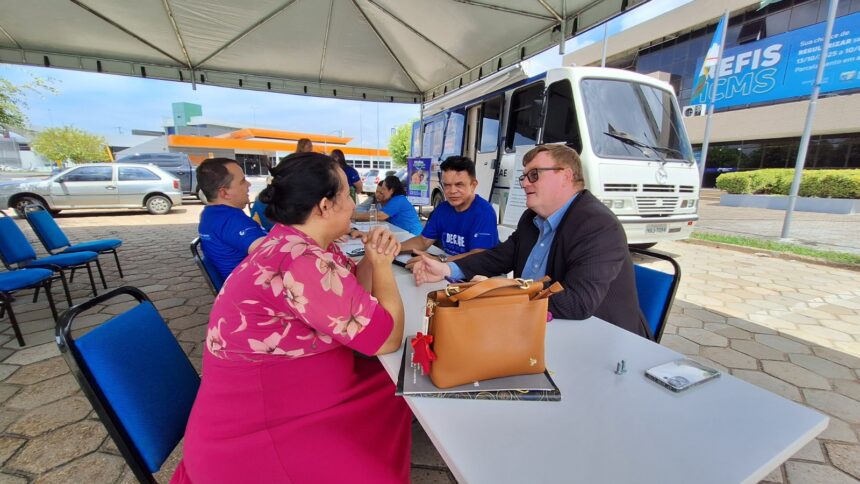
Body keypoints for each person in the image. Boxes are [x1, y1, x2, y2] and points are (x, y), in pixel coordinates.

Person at [172, 152, 412, 483]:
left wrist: (371, 259)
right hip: (261, 426)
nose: (354, 200)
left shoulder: (295, 241)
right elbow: (387, 340)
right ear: (325, 206)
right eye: (346, 193)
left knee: (393, 386)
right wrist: (384, 266)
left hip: (276, 394)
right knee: (396, 380)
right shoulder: (303, 261)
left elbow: (351, 288)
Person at [412, 144, 650, 338]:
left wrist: (499, 291)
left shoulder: (597, 225)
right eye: (524, 177)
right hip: (537, 327)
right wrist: (445, 268)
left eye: (534, 175)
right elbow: (499, 256)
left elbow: (578, 303)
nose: (525, 183)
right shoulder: (532, 218)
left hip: (600, 343)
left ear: (566, 175)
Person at [400, 156, 498, 264]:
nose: (452, 191)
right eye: (446, 185)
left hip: (476, 276)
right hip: (447, 271)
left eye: (459, 185)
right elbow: (423, 241)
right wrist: (394, 248)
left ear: (473, 185)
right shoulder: (442, 209)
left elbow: (479, 255)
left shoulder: (484, 212)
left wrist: (440, 261)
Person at [196, 157, 267, 280]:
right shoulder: (232, 220)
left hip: (236, 284)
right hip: (251, 287)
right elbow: (270, 253)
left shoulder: (208, 214)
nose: (249, 184)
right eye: (243, 181)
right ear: (224, 193)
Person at [353, 175, 423, 236]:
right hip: (405, 233)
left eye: (383, 189)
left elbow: (381, 216)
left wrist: (354, 215)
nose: (381, 192)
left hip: (413, 235)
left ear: (391, 190)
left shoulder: (398, 200)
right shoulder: (396, 199)